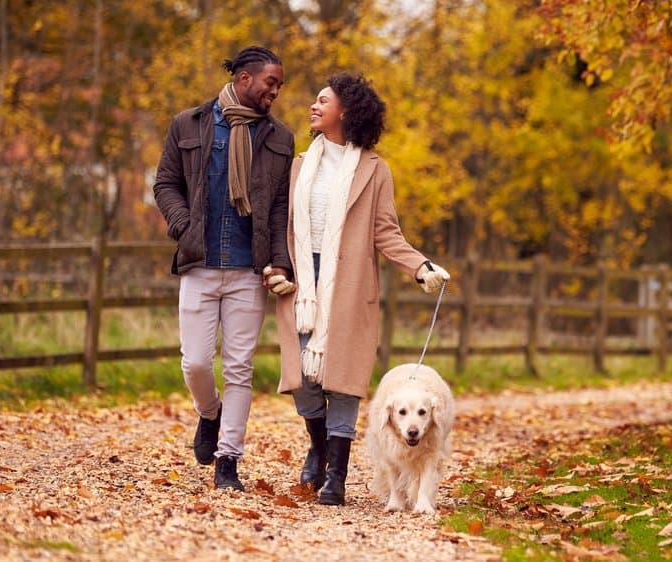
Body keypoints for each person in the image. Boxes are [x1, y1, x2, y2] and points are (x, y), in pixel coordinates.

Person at [274, 72, 450, 506]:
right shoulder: (299, 164)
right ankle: (317, 445)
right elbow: (282, 226)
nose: (313, 107)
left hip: (350, 284)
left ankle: (337, 474)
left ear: (346, 112)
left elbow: (386, 232)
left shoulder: (375, 170)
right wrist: (274, 265)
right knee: (305, 380)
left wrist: (419, 265)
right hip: (302, 283)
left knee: (344, 381)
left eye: (322, 101)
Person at [153, 46, 297, 492]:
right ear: (244, 80)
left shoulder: (279, 138)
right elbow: (165, 184)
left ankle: (228, 461)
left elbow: (277, 208)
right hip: (199, 262)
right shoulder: (188, 124)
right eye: (270, 82)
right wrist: (183, 225)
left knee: (239, 368)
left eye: (279, 84)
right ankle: (209, 414)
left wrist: (279, 261)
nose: (276, 91)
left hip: (248, 271)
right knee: (196, 363)